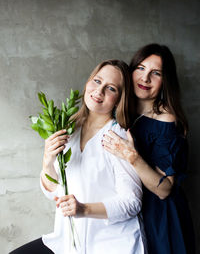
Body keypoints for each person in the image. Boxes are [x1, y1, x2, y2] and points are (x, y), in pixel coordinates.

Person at [10, 60, 147, 254]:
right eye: (97, 81)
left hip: (110, 244)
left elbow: (132, 202)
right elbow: (53, 193)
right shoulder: (69, 129)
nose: (99, 92)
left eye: (111, 88)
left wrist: (83, 209)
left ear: (119, 99)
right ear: (88, 82)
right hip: (67, 241)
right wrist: (47, 161)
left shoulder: (117, 137)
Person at [102, 44, 195, 254]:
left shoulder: (166, 120)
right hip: (126, 209)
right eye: (141, 68)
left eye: (156, 73)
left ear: (165, 81)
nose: (145, 78)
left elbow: (165, 190)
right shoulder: (120, 108)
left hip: (160, 218)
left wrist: (131, 156)